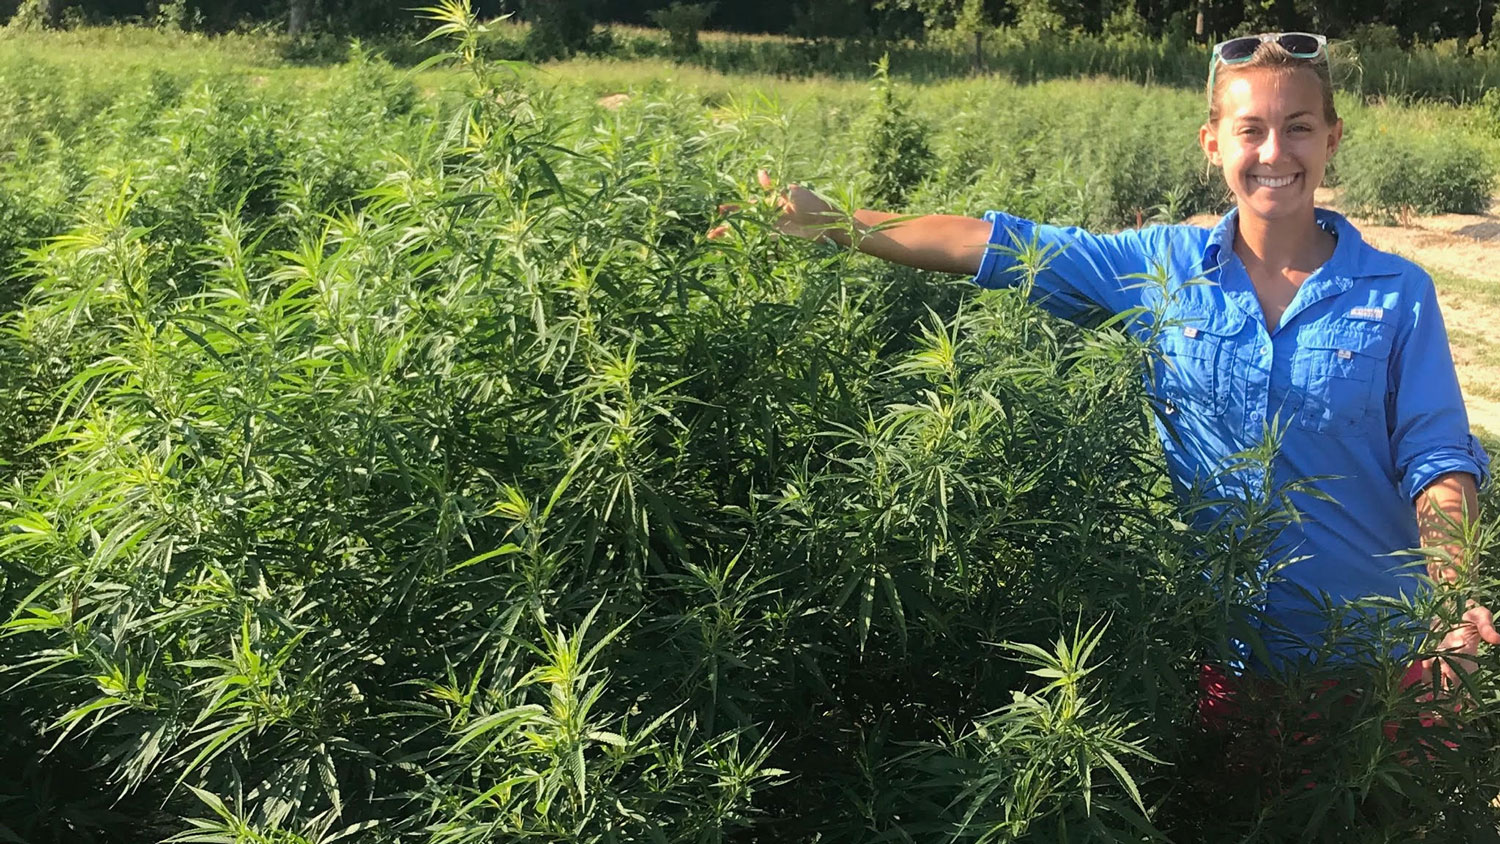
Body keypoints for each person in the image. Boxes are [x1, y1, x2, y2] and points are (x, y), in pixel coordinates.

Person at [709, 33, 1495, 693]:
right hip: (1223, 657)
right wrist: (830, 219)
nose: (1273, 152)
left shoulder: (1396, 293)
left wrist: (1451, 594)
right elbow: (992, 244)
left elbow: (1437, 459)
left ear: (1332, 138)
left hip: (1374, 655)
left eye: (1297, 128)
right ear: (1213, 143)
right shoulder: (1160, 268)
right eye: (1250, 129)